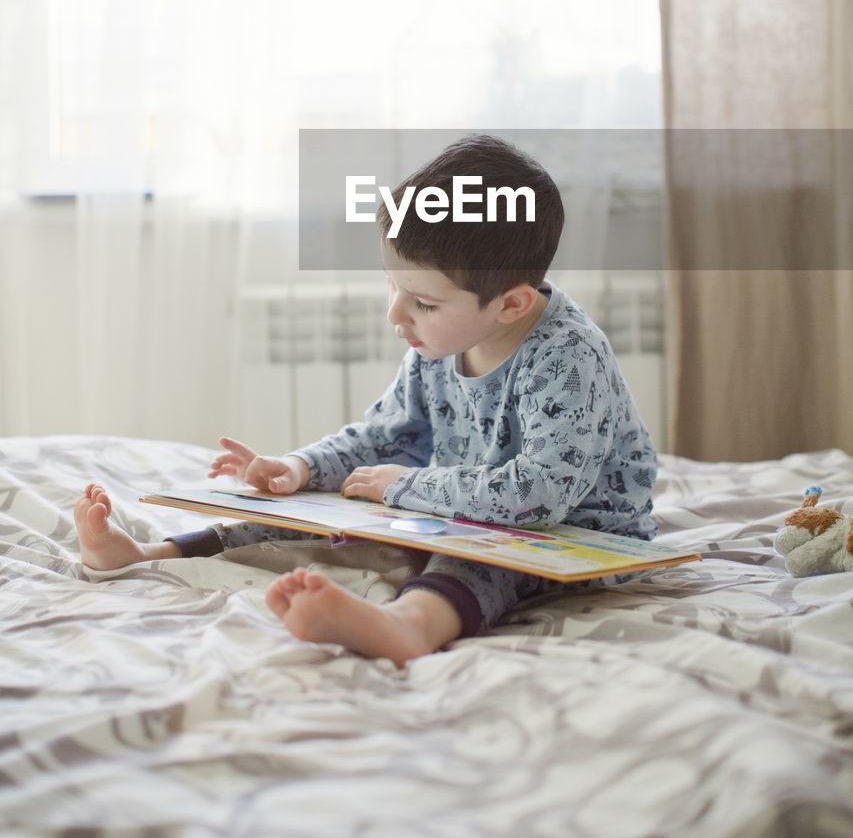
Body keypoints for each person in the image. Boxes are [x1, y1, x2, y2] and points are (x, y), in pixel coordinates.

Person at [75, 134, 658, 667]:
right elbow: (385, 436)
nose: (395, 315)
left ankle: (408, 624)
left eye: (423, 303)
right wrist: (299, 468)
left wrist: (401, 487)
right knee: (312, 503)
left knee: (478, 555)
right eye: (391, 285)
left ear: (510, 304)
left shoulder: (567, 357)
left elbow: (539, 497)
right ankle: (156, 553)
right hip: (466, 504)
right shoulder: (436, 346)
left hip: (574, 536)